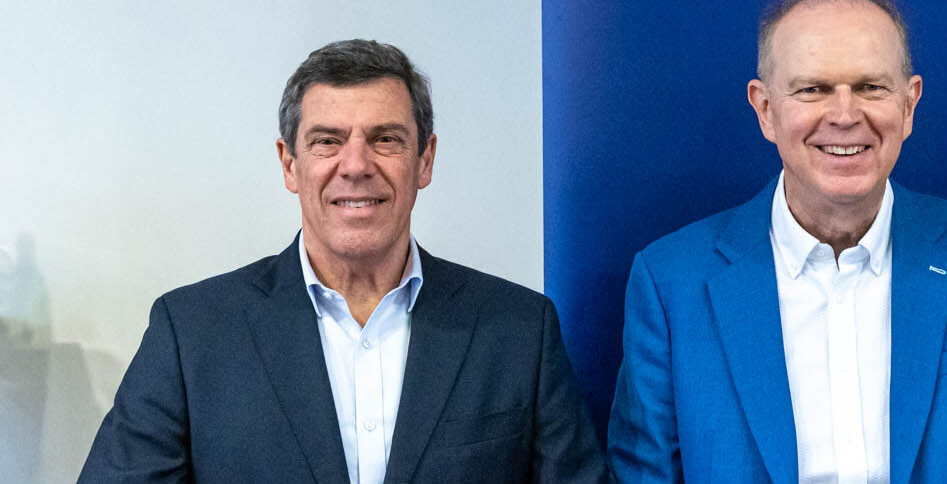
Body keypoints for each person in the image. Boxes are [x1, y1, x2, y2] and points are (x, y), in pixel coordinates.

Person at [79, 40, 610, 484]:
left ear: (424, 160)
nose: (356, 165)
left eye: (385, 139)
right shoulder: (192, 332)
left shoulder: (519, 330)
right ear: (290, 164)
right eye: (327, 141)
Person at [608, 0, 947, 483]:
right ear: (765, 109)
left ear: (909, 104)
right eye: (813, 89)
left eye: (871, 87)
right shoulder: (671, 284)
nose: (845, 115)